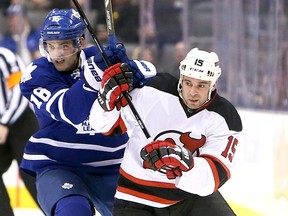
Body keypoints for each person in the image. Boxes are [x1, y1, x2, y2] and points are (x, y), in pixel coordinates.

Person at [19, 8, 156, 216]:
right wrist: (96, 75)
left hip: (112, 164)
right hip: (59, 164)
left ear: (80, 43)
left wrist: (132, 71)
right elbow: (71, 111)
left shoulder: (98, 58)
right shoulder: (36, 74)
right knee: (73, 212)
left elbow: (147, 79)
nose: (57, 54)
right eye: (51, 46)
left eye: (64, 46)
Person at [89, 48, 243, 215]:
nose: (192, 92)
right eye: (188, 83)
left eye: (201, 85)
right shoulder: (154, 89)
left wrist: (185, 161)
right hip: (136, 198)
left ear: (213, 84)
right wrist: (105, 101)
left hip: (188, 199)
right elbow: (105, 127)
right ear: (182, 77)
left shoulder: (225, 116)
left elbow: (214, 177)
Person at [0, 46, 40, 216]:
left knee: (33, 177)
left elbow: (20, 89)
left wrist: (4, 122)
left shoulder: (4, 56)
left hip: (20, 123)